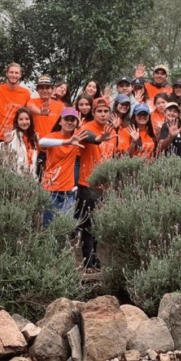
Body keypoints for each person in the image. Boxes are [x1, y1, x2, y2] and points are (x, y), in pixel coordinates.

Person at [76, 97, 118, 271]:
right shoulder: (85, 128)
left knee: (99, 224)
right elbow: (90, 138)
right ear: (93, 113)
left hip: (105, 186)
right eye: (99, 111)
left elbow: (112, 157)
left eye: (105, 111)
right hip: (88, 183)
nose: (102, 114)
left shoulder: (113, 132)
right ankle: (88, 261)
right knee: (88, 224)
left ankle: (94, 257)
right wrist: (100, 138)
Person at [39, 108, 87, 227]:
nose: (69, 122)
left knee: (65, 227)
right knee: (48, 226)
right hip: (51, 188)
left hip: (68, 190)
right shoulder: (53, 136)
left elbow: (94, 139)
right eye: (66, 119)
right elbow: (41, 142)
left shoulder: (77, 138)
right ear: (60, 121)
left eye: (73, 120)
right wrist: (67, 142)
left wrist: (80, 129)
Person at [0, 107, 39, 176]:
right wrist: (6, 143)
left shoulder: (34, 137)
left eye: (27, 119)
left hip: (31, 177)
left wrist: (38, 143)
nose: (24, 122)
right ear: (16, 121)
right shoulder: (12, 135)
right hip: (16, 177)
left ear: (31, 120)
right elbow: (1, 157)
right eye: (21, 119)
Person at [27, 76, 65, 140]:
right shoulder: (32, 101)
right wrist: (40, 113)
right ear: (37, 90)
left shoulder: (61, 105)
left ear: (53, 90)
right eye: (41, 88)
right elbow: (30, 106)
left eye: (47, 88)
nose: (44, 91)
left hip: (53, 143)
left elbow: (67, 120)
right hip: (35, 142)